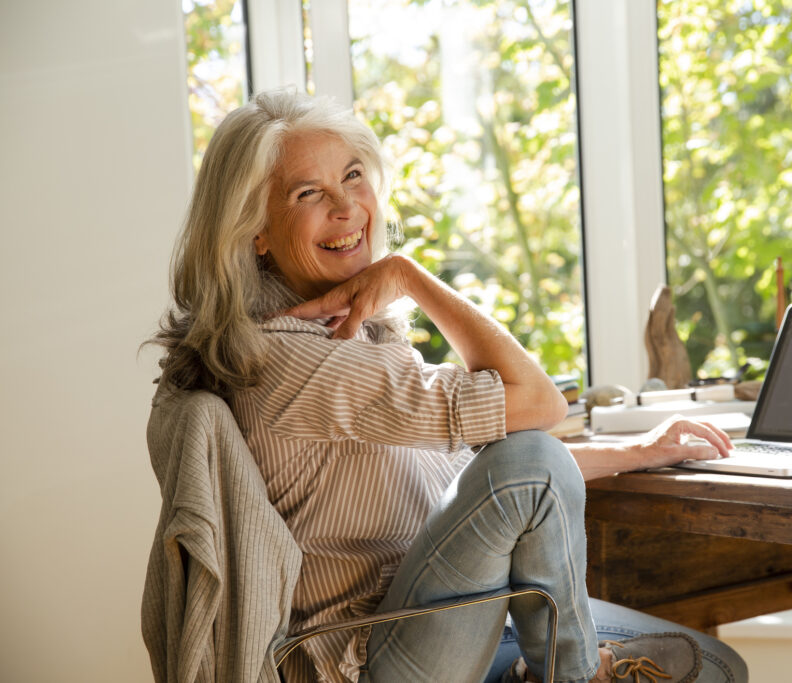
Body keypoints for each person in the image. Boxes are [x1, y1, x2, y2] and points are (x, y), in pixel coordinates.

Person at [151, 87, 747, 683]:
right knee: (703, 664)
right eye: (309, 193)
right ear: (255, 230)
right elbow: (537, 411)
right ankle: (579, 678)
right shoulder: (292, 358)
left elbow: (473, 474)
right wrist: (409, 276)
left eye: (353, 176)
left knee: (716, 666)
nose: (347, 207)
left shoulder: (342, 337)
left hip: (431, 625)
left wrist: (642, 451)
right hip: (361, 659)